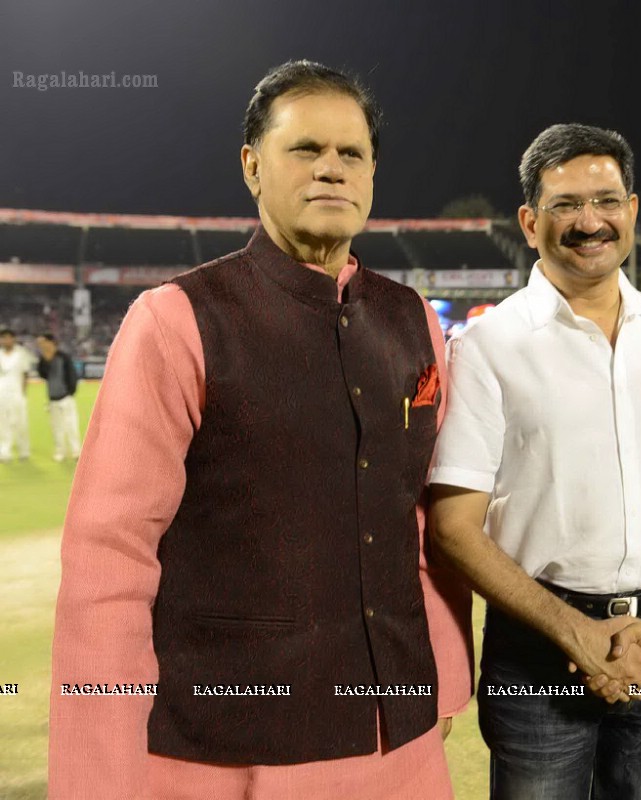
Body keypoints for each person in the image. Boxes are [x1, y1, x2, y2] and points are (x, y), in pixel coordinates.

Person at [48, 60, 472, 800]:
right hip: (225, 755)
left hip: (400, 747)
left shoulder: (413, 322)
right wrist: (99, 777)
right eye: (305, 150)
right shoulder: (176, 319)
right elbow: (108, 563)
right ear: (252, 166)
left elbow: (421, 522)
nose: (332, 170)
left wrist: (442, 680)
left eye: (353, 154)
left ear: (374, 174)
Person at [428, 123, 641, 800]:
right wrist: (575, 632)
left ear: (633, 210)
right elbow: (452, 528)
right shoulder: (488, 346)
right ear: (530, 221)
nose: (590, 221)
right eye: (566, 204)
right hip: (536, 649)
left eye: (607, 200)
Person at [35, 333, 82, 462]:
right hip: (53, 398)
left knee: (71, 425)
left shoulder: (63, 357)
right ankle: (60, 451)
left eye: (44, 342)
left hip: (66, 397)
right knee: (57, 427)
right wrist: (45, 359)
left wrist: (70, 393)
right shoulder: (43, 359)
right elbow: (42, 374)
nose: (42, 345)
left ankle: (76, 451)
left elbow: (72, 376)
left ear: (51, 342)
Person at [0, 328, 33, 462]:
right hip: (2, 392)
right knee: (3, 423)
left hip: (17, 392)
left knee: (21, 422)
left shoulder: (21, 353)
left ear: (13, 339)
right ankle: (4, 451)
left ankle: (24, 450)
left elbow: (25, 374)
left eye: (9, 337)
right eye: (3, 338)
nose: (6, 340)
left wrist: (23, 392)